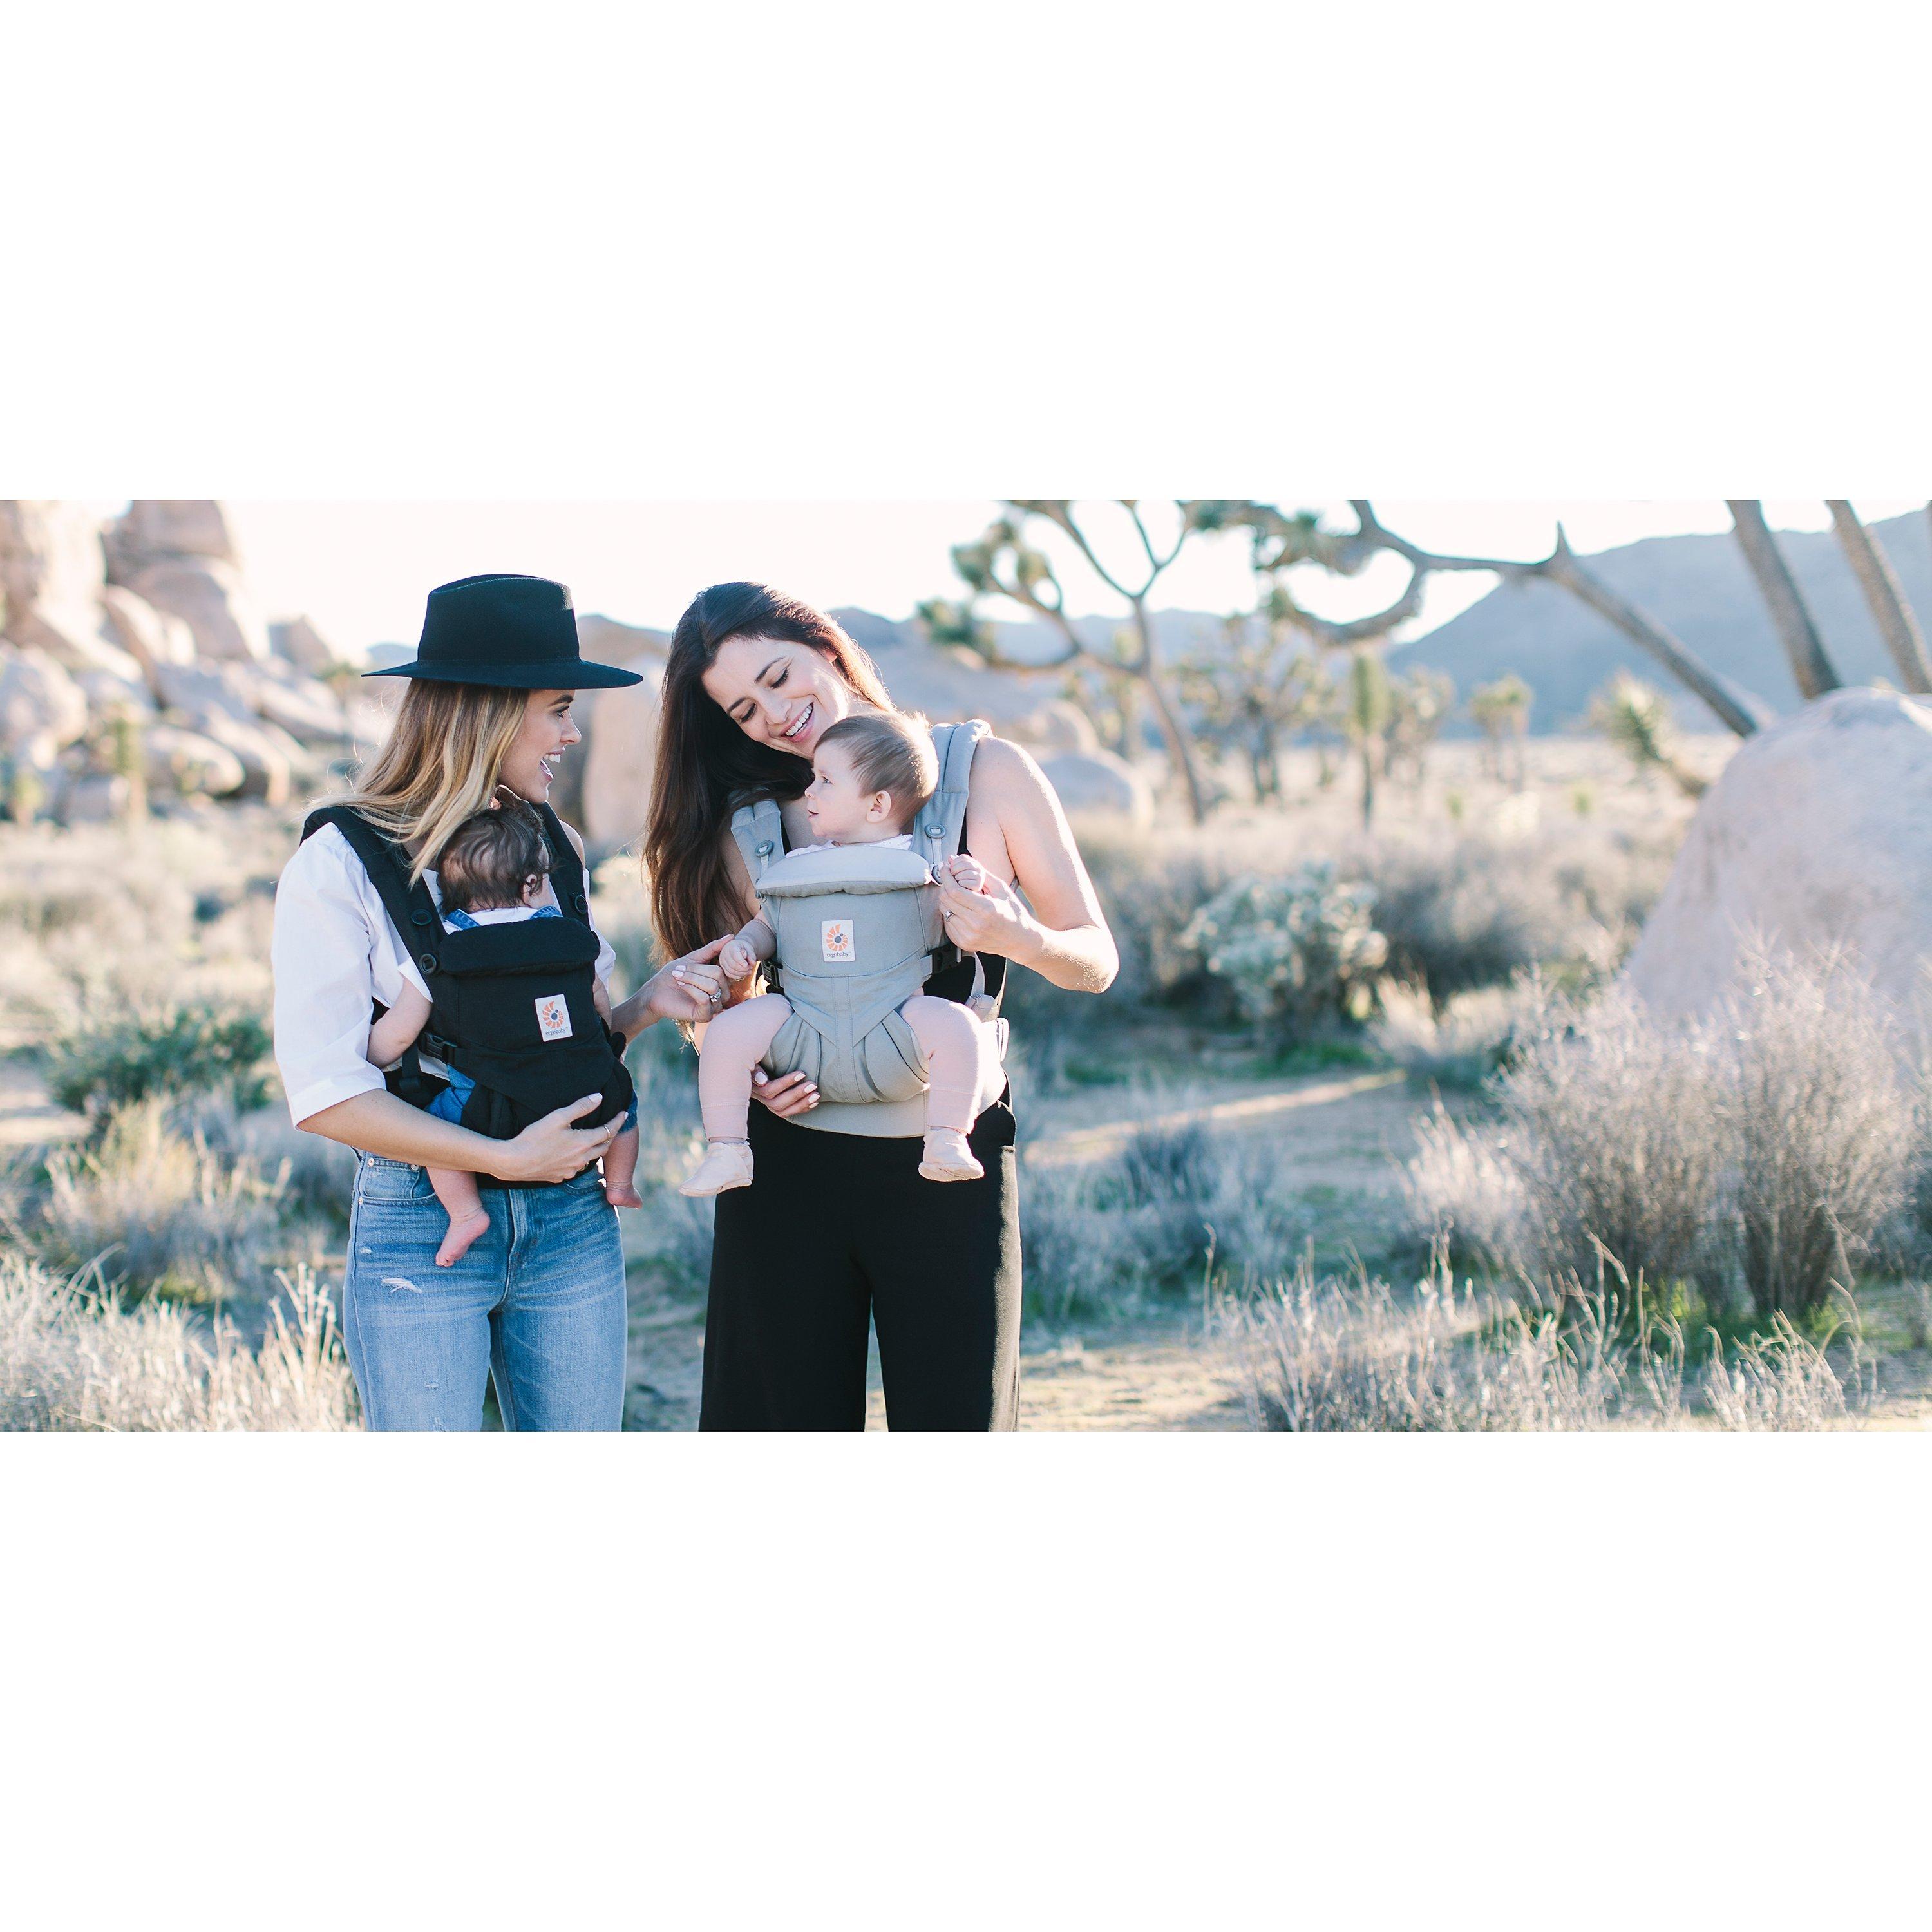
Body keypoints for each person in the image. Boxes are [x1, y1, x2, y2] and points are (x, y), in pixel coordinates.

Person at [645, 582, 1119, 1432]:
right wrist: (747, 1072)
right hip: (786, 1170)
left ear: (827, 646)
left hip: (946, 1164)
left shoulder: (988, 773)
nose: (776, 716)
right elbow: (724, 1004)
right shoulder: (753, 825)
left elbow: (1096, 960)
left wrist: (1019, 937)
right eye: (745, 711)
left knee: (956, 1426)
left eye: (780, 677)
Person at [272, 573, 728, 1431]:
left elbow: (556, 1037)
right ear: (486, 712)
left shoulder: (555, 846)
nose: (572, 732)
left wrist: (643, 1006)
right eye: (557, 709)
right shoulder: (338, 862)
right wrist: (505, 1159)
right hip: (425, 1223)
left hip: (571, 1217)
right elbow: (326, 1092)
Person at [681, 710, 995, 1197]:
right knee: (727, 1033)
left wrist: (970, 885)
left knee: (960, 1028)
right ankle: (727, 1149)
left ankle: (947, 1138)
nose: (809, 791)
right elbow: (770, 924)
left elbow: (965, 927)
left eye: (826, 780)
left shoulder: (922, 865)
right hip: (802, 1021)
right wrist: (746, 946)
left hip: (896, 1022)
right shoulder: (797, 867)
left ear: (877, 805)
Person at [366, 797, 643, 1267]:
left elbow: (398, 1034)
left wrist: (369, 1055)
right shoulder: (568, 938)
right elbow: (598, 1004)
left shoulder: (443, 951)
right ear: (532, 884)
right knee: (626, 1107)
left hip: (484, 1102)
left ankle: (466, 1214)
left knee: (434, 1133)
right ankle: (618, 1184)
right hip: (582, 1090)